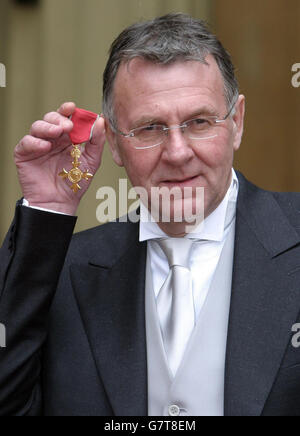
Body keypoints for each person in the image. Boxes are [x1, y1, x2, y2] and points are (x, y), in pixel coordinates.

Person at [0, 13, 300, 417]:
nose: (177, 153)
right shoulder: (64, 271)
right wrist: (48, 211)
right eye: (150, 128)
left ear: (237, 123)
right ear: (116, 147)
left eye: (199, 122)